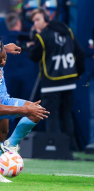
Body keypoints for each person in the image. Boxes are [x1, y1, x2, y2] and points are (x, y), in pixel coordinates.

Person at [0, 36, 49, 182]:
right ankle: (11, 144)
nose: (2, 62)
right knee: (35, 111)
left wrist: (4, 48)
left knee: (0, 133)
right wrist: (26, 110)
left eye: (4, 57)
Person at [27, 8, 85, 149]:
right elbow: (80, 53)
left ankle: (54, 147)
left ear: (46, 19)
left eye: (38, 19)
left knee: (50, 116)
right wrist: (78, 73)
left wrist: (31, 46)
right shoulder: (67, 31)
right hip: (69, 80)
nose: (35, 23)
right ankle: (70, 147)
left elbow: (34, 56)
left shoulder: (42, 36)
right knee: (66, 115)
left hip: (51, 82)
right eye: (34, 21)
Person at [3, 12, 39, 134]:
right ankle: (27, 141)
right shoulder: (30, 38)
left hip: (9, 81)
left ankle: (9, 140)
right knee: (29, 109)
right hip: (28, 79)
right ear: (18, 23)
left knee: (10, 110)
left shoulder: (2, 41)